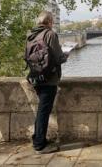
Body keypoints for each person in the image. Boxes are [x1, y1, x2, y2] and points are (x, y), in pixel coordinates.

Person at [26, 11, 67, 154]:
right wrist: (65, 55)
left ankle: (38, 138)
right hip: (49, 78)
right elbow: (58, 56)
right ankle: (39, 144)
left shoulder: (31, 35)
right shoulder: (50, 34)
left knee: (42, 111)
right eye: (53, 21)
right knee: (44, 111)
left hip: (36, 76)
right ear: (49, 21)